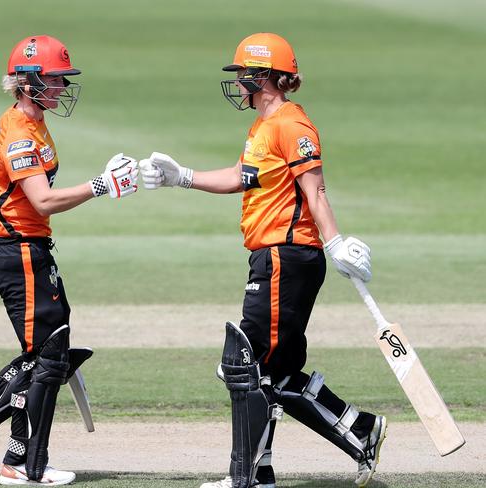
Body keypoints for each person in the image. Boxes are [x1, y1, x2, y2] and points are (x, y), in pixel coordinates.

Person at [140, 33, 386, 488]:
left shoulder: (293, 125)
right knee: (275, 373)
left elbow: (316, 190)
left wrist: (334, 242)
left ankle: (248, 476)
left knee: (244, 366)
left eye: (241, 75)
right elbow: (242, 177)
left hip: (286, 257)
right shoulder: (263, 126)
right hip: (274, 257)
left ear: (262, 76)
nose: (237, 83)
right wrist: (183, 177)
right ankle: (352, 432)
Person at [0, 35, 138, 486]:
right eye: (54, 79)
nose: (62, 87)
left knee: (47, 352)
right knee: (49, 356)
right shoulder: (18, 133)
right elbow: (43, 201)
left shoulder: (34, 123)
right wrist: (102, 185)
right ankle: (19, 461)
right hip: (16, 251)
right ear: (27, 83)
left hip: (30, 249)